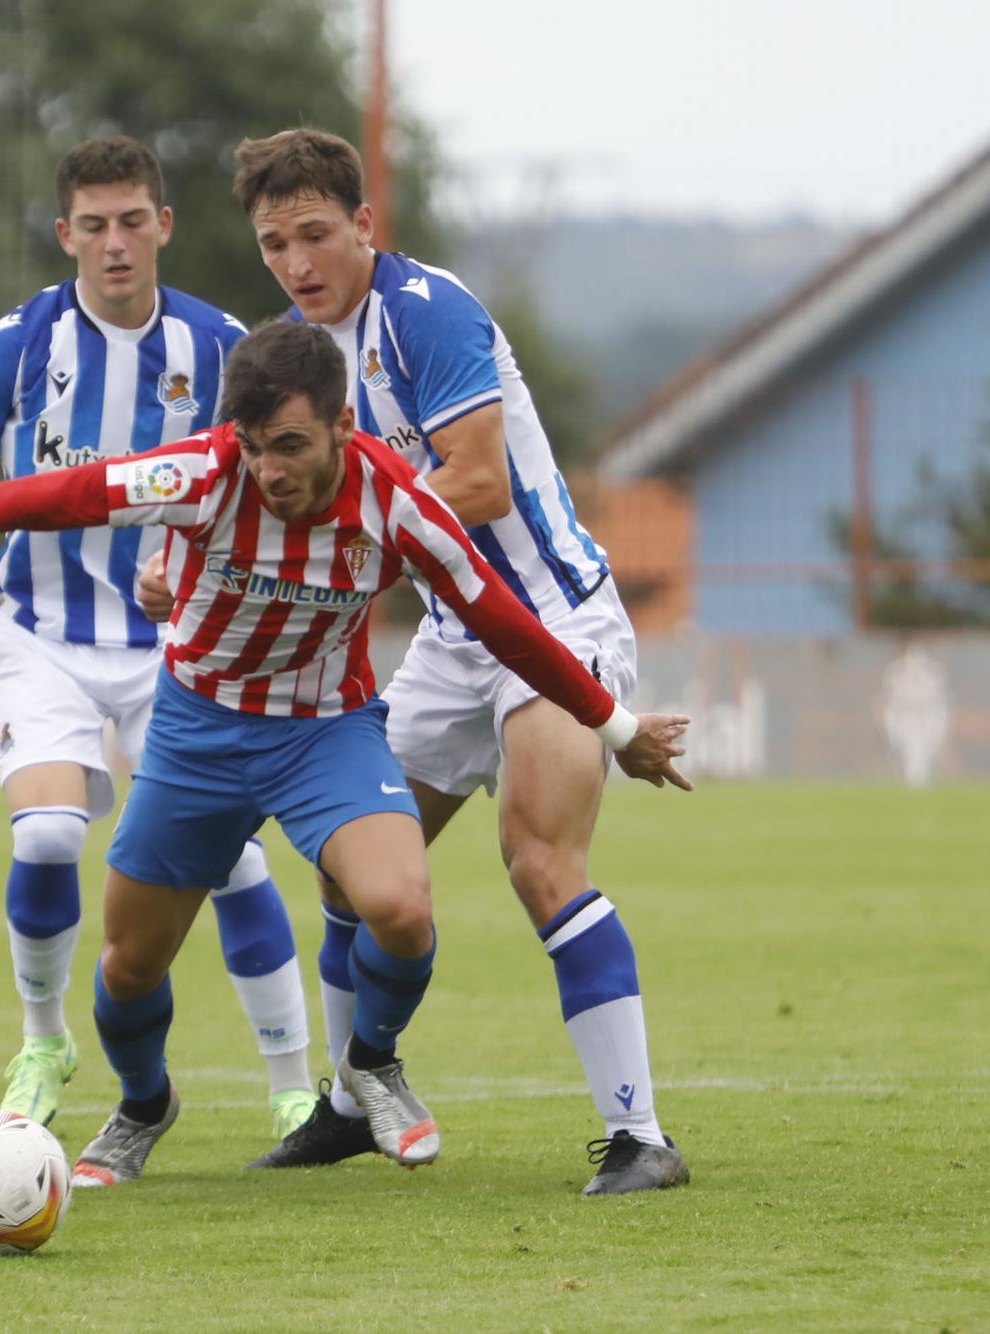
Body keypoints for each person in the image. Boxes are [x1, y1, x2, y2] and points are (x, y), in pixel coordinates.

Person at [0, 320, 690, 1188]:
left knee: (398, 906)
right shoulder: (194, 475)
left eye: (291, 447)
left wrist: (615, 728)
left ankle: (372, 1062)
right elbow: (30, 497)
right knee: (127, 967)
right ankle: (145, 1103)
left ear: (343, 426)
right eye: (254, 446)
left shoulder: (397, 502)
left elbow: (508, 624)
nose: (269, 471)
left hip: (327, 733)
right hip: (197, 734)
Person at [177, 128, 692, 1195]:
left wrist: (338, 553)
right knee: (341, 860)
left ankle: (638, 1135)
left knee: (536, 858)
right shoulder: (299, 357)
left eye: (315, 234)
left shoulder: (425, 313)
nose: (295, 261)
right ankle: (346, 1101)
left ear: (362, 225)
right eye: (274, 243)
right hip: (453, 635)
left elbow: (479, 482)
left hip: (547, 617)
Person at [0, 135, 315, 1138]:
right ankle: (43, 1040)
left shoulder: (219, 346)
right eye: (94, 225)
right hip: (42, 635)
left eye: (133, 220)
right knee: (44, 833)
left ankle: (295, 1084)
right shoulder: (23, 342)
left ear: (163, 225)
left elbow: (286, 484)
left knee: (232, 860)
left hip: (180, 646)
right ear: (65, 235)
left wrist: (222, 580)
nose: (115, 243)